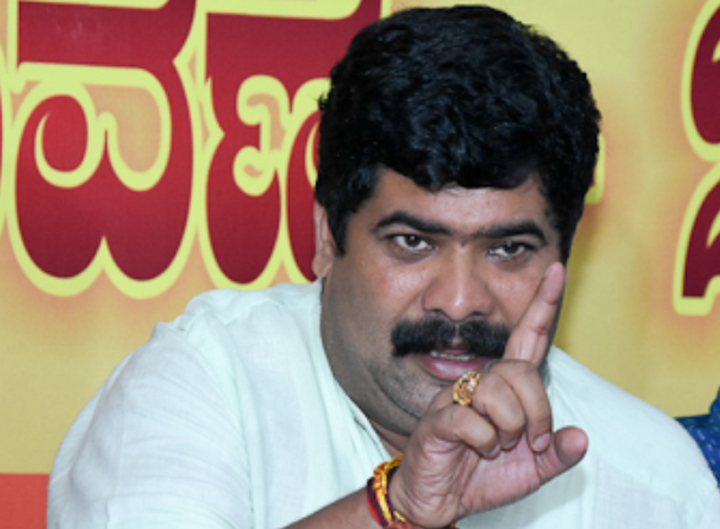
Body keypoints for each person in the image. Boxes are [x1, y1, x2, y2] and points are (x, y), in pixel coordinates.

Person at [47, 5, 720, 528]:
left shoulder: (655, 480)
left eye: (508, 249)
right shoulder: (202, 386)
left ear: (564, 254)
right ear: (327, 237)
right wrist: (396, 507)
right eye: (412, 242)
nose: (459, 301)